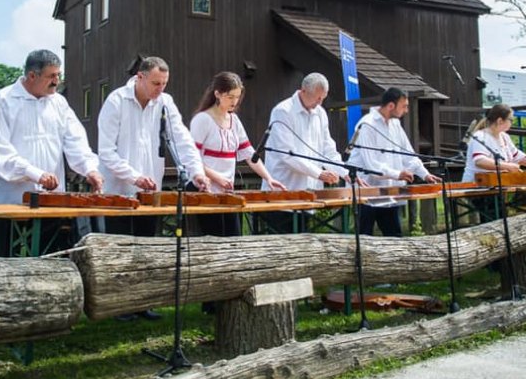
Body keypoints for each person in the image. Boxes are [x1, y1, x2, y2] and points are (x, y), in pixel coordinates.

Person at [98, 56, 209, 320]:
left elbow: (182, 139)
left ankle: (142, 302)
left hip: (150, 190)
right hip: (118, 190)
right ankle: (119, 306)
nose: (161, 89)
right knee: (120, 250)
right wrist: (134, 177)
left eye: (164, 84)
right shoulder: (116, 101)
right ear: (140, 77)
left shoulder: (165, 103)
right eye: (156, 83)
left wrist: (197, 171)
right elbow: (106, 152)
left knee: (146, 248)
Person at [0, 49, 103, 257]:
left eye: (58, 75)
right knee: (4, 261)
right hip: (9, 200)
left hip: (50, 200)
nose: (57, 81)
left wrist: (90, 169)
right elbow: (0, 151)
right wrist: (37, 174)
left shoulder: (59, 103)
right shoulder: (4, 100)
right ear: (32, 76)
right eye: (51, 76)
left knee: (48, 259)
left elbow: (75, 141)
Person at [190, 71, 286, 237]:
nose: (234, 101)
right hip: (205, 190)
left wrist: (268, 178)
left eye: (237, 97)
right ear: (217, 94)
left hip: (227, 191)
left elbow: (249, 154)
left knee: (234, 237)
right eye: (230, 97)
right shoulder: (202, 119)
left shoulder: (234, 120)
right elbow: (192, 159)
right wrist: (218, 178)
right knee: (213, 239)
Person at [259, 73, 351, 233]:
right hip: (283, 192)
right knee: (282, 243)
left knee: (304, 242)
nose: (319, 102)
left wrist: (345, 172)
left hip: (308, 193)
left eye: (322, 98)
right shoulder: (283, 111)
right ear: (303, 91)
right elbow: (287, 154)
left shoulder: (320, 113)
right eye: (317, 98)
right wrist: (319, 173)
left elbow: (327, 148)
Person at [347, 87, 441, 237]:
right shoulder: (367, 125)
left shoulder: (395, 125)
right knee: (364, 237)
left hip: (388, 191)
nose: (406, 111)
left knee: (394, 236)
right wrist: (398, 174)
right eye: (404, 106)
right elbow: (372, 165)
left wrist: (424, 174)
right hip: (366, 191)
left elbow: (407, 153)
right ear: (391, 105)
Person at [463, 103, 526, 221]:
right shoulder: (481, 136)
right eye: (511, 119)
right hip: (477, 186)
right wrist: (508, 166)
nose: (512, 122)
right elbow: (480, 161)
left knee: (500, 215)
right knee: (495, 216)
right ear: (500, 121)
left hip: (495, 186)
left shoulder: (504, 137)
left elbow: (518, 156)